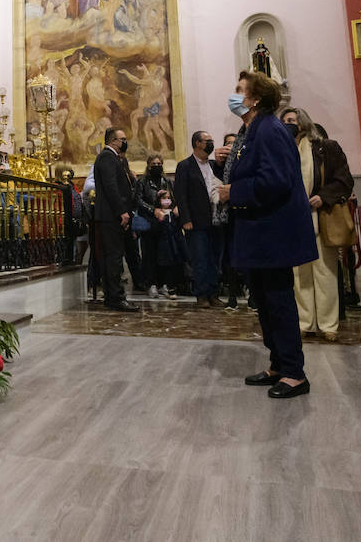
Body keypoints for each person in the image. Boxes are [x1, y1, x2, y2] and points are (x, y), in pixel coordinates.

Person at [220, 72, 317, 398]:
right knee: (264, 301)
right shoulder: (252, 130)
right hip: (259, 233)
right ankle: (278, 363)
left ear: (255, 98)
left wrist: (232, 191)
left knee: (277, 301)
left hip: (273, 232)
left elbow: (274, 181)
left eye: (239, 91)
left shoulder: (270, 129)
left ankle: (294, 373)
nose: (234, 96)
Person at [281, 107, 353, 341]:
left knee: (325, 271)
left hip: (320, 214)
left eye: (291, 120)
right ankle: (305, 322)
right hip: (293, 217)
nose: (287, 124)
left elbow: (344, 180)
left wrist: (323, 196)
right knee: (299, 274)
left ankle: (328, 324)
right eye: (284, 121)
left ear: (303, 122)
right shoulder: (282, 151)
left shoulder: (326, 147)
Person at [174, 130, 223, 306]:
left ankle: (213, 293)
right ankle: (201, 294)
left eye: (211, 140)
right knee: (200, 258)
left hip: (214, 220)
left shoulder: (212, 165)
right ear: (197, 143)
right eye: (207, 141)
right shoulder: (185, 166)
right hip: (195, 221)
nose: (210, 144)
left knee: (213, 258)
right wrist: (186, 219)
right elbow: (181, 195)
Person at [92, 127, 137, 311]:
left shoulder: (113, 158)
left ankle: (113, 296)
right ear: (113, 141)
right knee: (114, 257)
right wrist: (121, 211)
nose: (125, 142)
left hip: (113, 215)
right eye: (122, 139)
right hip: (111, 216)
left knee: (115, 256)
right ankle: (115, 297)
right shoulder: (107, 157)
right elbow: (111, 186)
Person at [134, 152, 169, 296]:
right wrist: (152, 210)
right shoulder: (142, 182)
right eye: (153, 164)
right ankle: (151, 283)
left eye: (159, 164)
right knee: (149, 254)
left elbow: (172, 196)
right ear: (148, 166)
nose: (156, 167)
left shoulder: (166, 182)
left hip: (163, 222)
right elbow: (138, 200)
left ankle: (162, 283)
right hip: (148, 222)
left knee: (163, 254)